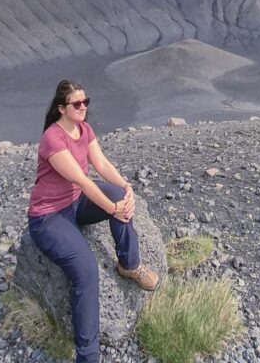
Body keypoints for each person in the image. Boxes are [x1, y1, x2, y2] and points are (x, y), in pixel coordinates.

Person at [27, 79, 160, 363]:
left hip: (76, 204)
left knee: (117, 195)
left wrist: (126, 190)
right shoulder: (53, 138)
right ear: (62, 108)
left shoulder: (84, 129)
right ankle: (88, 356)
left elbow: (102, 165)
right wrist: (114, 208)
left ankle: (130, 264)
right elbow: (83, 180)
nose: (83, 107)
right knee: (86, 271)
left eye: (86, 102)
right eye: (77, 103)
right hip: (49, 216)